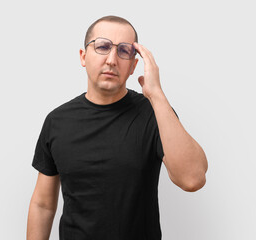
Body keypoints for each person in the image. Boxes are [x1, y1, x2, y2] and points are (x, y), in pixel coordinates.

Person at [27, 15, 208, 240]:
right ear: (83, 57)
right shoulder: (57, 121)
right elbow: (43, 204)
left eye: (124, 51)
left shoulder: (155, 113)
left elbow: (192, 179)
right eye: (102, 46)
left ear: (134, 65)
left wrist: (156, 94)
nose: (112, 59)